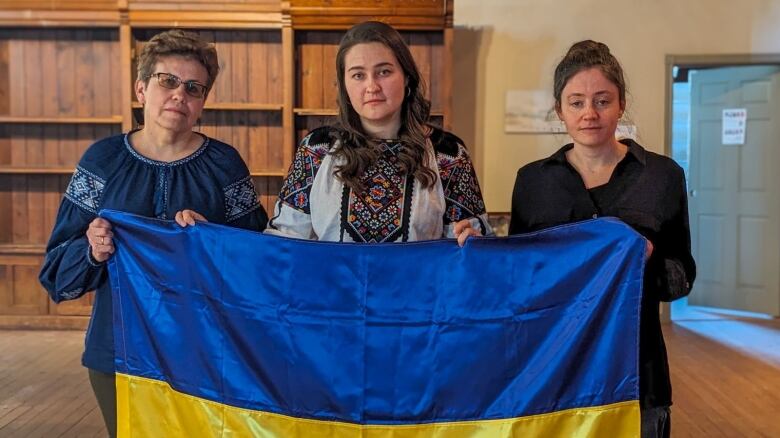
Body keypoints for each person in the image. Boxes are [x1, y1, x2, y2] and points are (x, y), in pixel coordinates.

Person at [38, 29, 268, 436]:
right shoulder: (102, 161)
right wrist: (93, 250)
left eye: (194, 87)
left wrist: (212, 241)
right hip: (119, 353)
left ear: (203, 102)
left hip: (206, 356)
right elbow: (57, 274)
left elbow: (259, 263)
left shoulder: (224, 165)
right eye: (168, 81)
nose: (180, 94)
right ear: (141, 89)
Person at [509, 40, 695, 438]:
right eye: (576, 102)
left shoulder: (663, 177)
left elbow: (683, 278)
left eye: (602, 100)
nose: (589, 114)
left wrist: (647, 257)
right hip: (554, 373)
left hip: (637, 374)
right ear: (559, 109)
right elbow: (519, 279)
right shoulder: (532, 182)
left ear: (622, 104)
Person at [267, 21, 490, 245]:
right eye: (358, 75)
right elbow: (284, 242)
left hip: (418, 281)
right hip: (333, 281)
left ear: (407, 78)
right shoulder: (316, 149)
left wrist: (472, 241)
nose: (372, 86)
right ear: (344, 86)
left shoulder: (448, 154)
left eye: (384, 72)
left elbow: (473, 245)